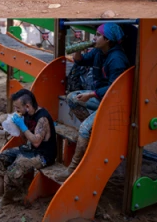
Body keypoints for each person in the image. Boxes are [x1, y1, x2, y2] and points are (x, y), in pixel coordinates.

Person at [56, 23, 130, 181]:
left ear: (108, 40)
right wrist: (77, 49)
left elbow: (115, 88)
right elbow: (80, 61)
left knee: (83, 129)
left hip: (114, 102)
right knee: (71, 98)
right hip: (100, 97)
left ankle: (72, 168)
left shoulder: (117, 59)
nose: (94, 38)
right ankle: (95, 131)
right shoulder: (98, 51)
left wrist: (91, 94)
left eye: (97, 35)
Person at [0, 89, 57, 204]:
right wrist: (13, 125)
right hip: (30, 149)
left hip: (43, 155)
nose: (16, 110)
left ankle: (10, 198)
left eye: (17, 108)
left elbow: (36, 142)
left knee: (14, 169)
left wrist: (22, 126)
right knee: (0, 157)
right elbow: (25, 139)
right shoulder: (26, 114)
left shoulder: (42, 118)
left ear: (27, 106)